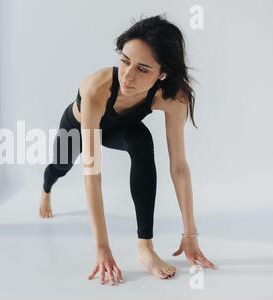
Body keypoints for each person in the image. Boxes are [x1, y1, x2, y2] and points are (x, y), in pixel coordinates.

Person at [39, 14, 217, 285]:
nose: (128, 76)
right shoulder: (97, 88)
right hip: (79, 124)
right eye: (124, 61)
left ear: (163, 73)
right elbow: (92, 173)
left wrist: (190, 233)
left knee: (142, 142)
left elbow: (179, 167)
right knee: (59, 168)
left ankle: (145, 248)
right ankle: (46, 191)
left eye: (143, 69)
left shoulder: (172, 98)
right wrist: (102, 249)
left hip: (121, 128)